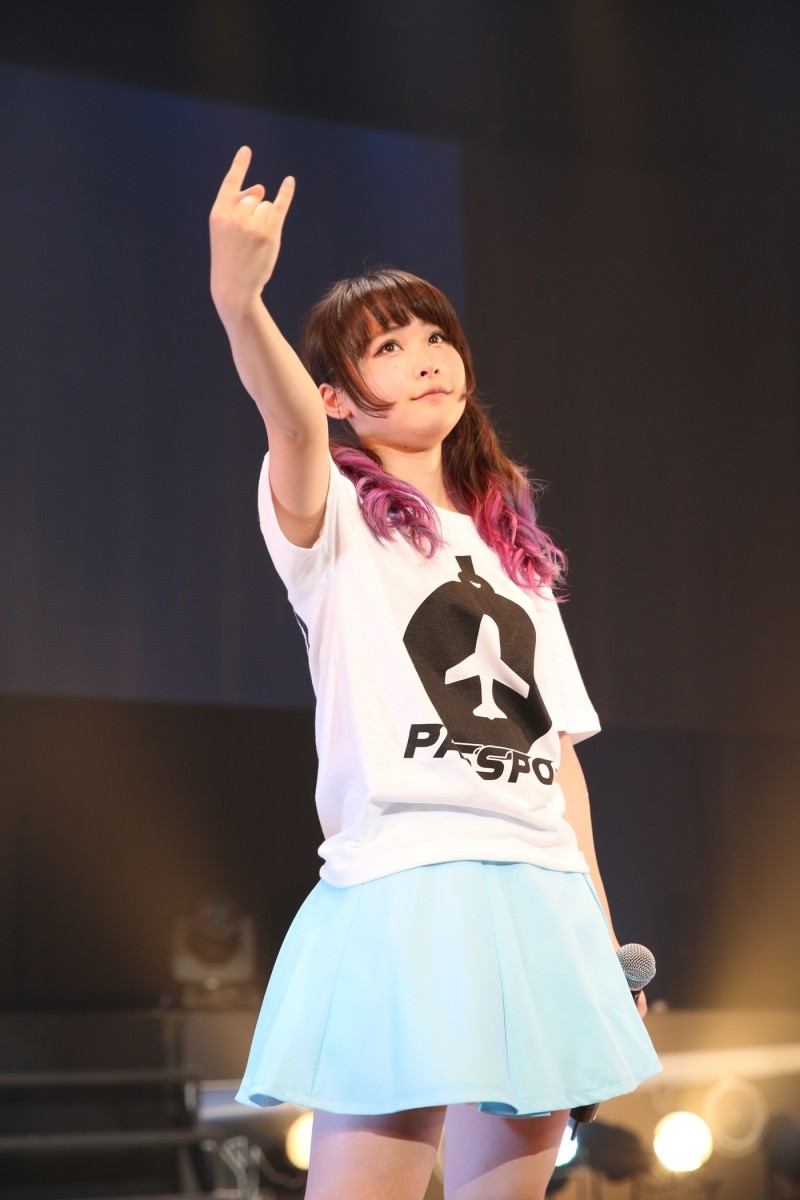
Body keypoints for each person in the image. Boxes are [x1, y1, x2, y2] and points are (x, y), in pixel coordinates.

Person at [209, 146, 660, 1200]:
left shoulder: (515, 553)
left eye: (434, 337)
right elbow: (285, 419)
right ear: (338, 396)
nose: (424, 357)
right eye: (388, 346)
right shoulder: (331, 520)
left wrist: (599, 943)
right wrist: (238, 300)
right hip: (405, 886)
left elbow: (559, 765)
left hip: (539, 900)